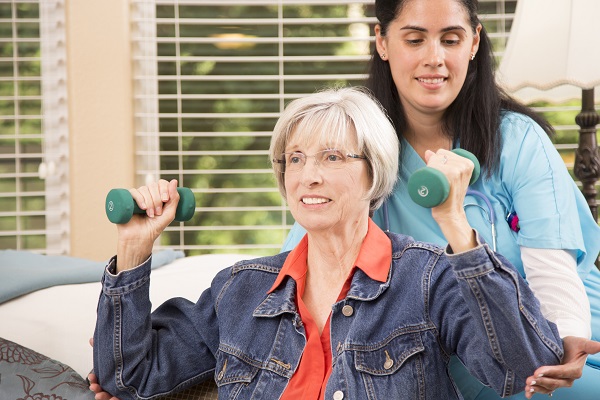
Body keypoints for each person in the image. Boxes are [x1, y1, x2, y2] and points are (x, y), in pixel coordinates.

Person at [91, 87, 563, 400]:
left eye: (332, 156)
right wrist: (134, 249)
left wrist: (456, 225)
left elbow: (525, 367)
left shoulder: (426, 278)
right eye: (294, 159)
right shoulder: (240, 290)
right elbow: (130, 379)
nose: (308, 176)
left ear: (373, 172)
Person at [280, 1, 600, 399]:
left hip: (557, 342)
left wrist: (563, 342)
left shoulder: (518, 141)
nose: (434, 59)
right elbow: (299, 278)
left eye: (450, 39)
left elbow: (553, 276)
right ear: (381, 41)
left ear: (474, 42)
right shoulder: (354, 157)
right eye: (414, 39)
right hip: (447, 361)